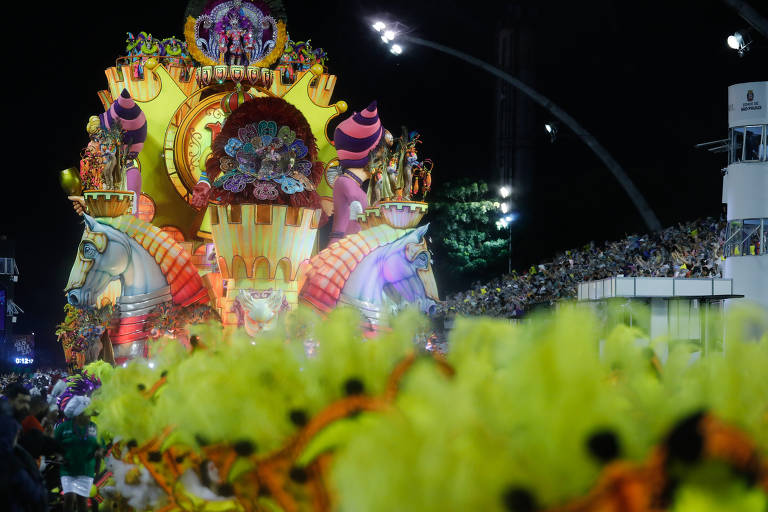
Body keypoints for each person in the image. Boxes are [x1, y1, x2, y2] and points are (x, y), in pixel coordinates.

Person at [329, 101, 386, 244]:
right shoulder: (345, 183)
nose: (381, 165)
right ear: (367, 155)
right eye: (379, 159)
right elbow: (362, 222)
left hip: (354, 252)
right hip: (341, 254)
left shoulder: (356, 187)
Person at [55, 396, 103, 512]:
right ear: (77, 414)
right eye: (86, 414)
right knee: (69, 498)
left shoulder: (94, 427)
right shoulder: (63, 428)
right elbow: (54, 445)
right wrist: (59, 456)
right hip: (68, 470)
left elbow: (100, 446)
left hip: (86, 469)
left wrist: (99, 452)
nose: (89, 416)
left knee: (82, 501)